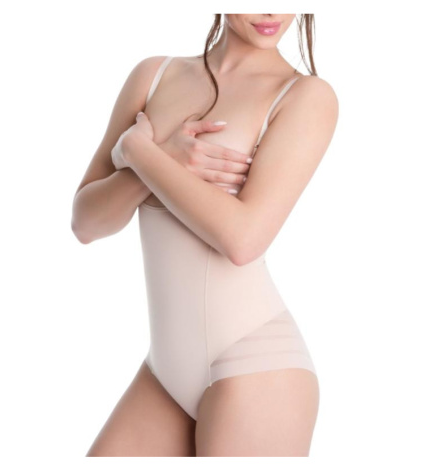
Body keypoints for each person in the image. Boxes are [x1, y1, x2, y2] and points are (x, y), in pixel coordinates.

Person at [72, 14, 339, 457]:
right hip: (163, 375)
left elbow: (244, 240)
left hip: (257, 367)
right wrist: (163, 159)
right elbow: (85, 222)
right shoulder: (153, 76)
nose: (271, 12)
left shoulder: (305, 96)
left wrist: (140, 152)